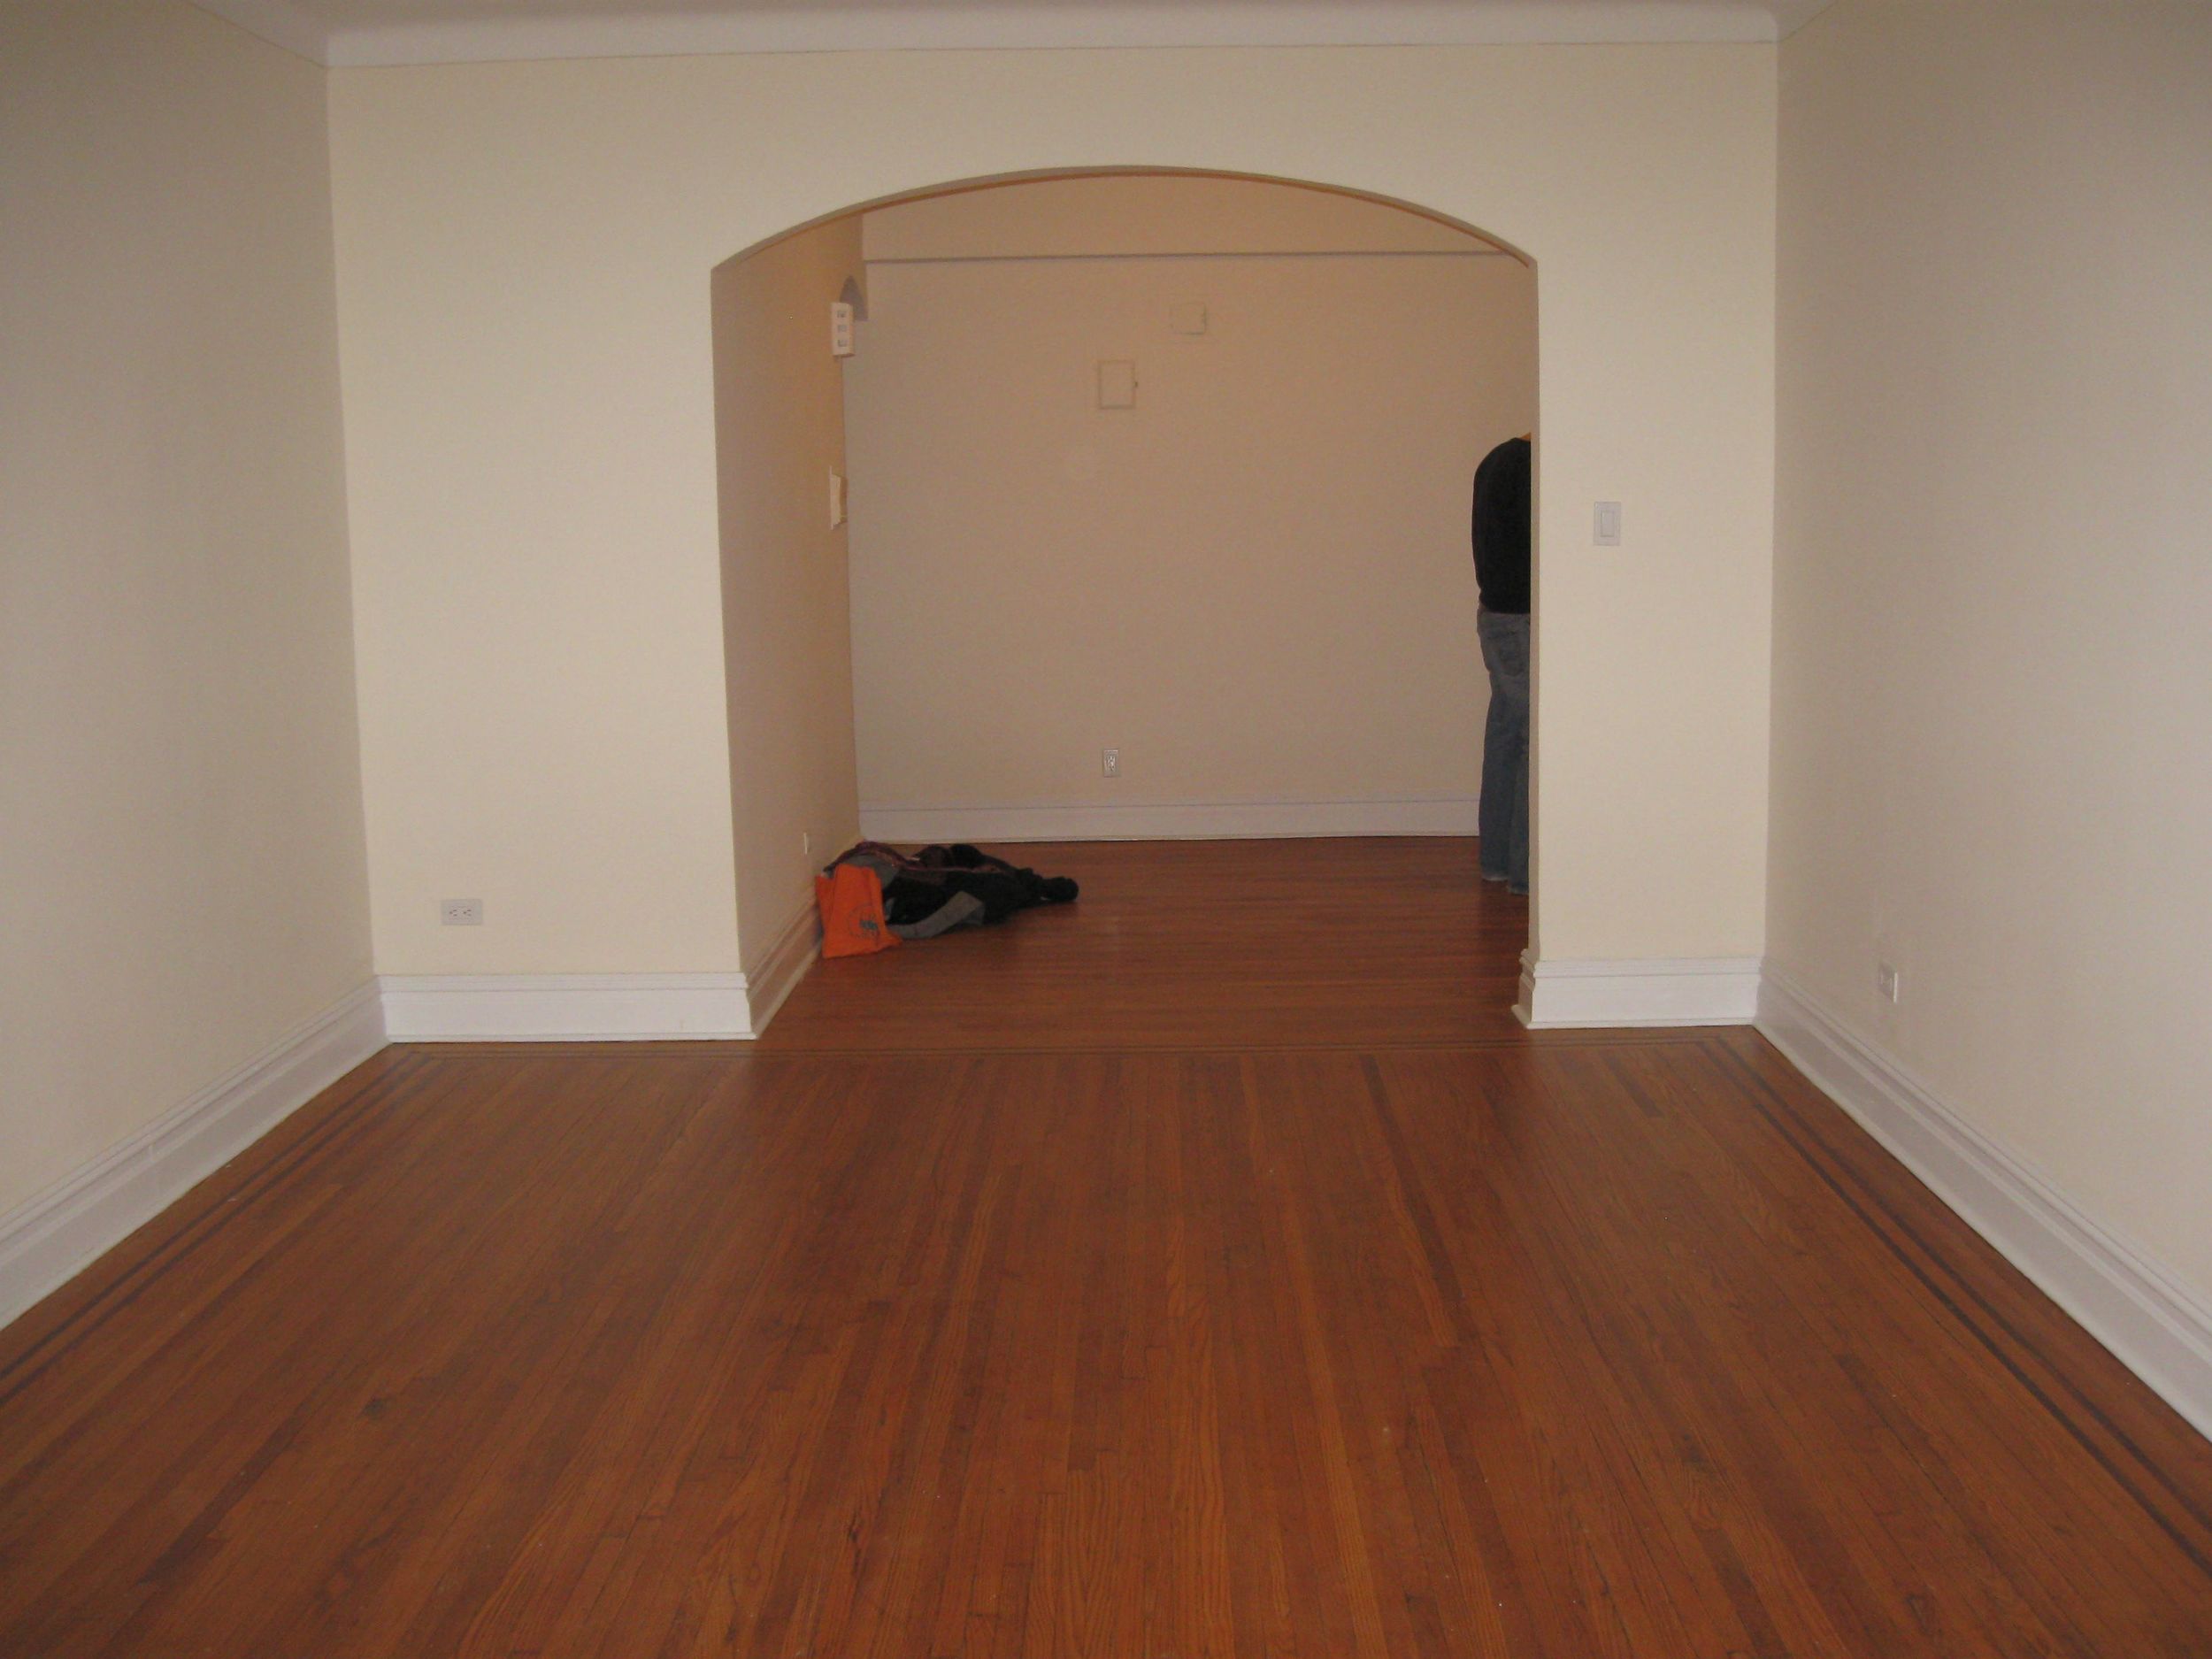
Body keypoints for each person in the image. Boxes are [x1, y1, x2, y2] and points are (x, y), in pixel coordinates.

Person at [1471, 434, 1532, 895]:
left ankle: (1497, 860)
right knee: (1531, 740)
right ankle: (1527, 872)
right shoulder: (1531, 467)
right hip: (1524, 619)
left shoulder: (1495, 459)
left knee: (1507, 734)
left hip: (1496, 615)